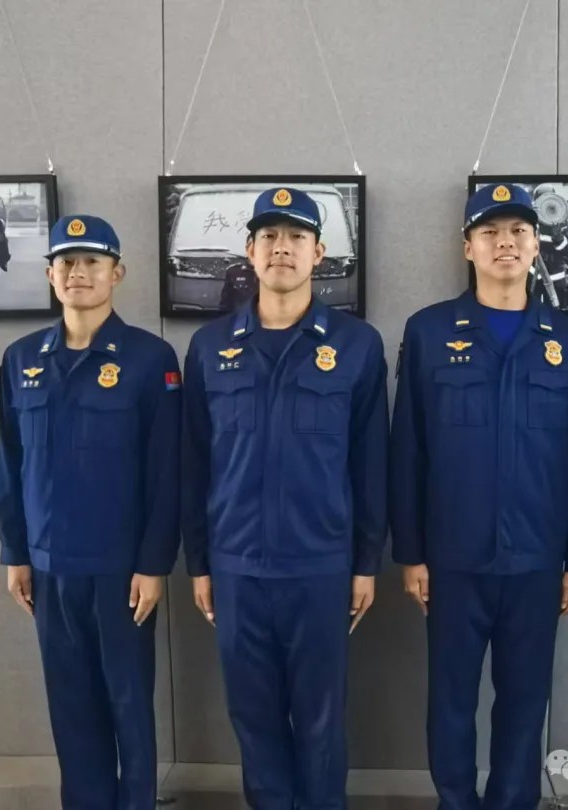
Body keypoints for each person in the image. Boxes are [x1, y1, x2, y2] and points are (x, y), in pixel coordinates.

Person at [390, 183, 568, 810]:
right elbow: (408, 449)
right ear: (468, 247)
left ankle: (513, 800)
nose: (505, 243)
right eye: (490, 232)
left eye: (518, 232)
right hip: (452, 557)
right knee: (451, 698)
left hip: (537, 558)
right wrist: (411, 552)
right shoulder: (428, 332)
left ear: (536, 246)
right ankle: (455, 800)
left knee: (526, 698)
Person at [181, 187, 388, 809]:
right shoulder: (210, 348)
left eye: (297, 236)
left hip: (320, 566)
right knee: (252, 716)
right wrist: (200, 563)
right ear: (249, 251)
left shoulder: (356, 345)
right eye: (269, 236)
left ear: (318, 253)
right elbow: (194, 463)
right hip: (237, 567)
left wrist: (365, 562)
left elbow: (370, 464)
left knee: (321, 718)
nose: (282, 248)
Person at [0, 215, 182, 809]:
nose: (78, 272)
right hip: (49, 566)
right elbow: (9, 462)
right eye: (66, 262)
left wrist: (154, 562)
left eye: (92, 262)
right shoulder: (22, 358)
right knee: (71, 706)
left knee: (129, 702)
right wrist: (15, 552)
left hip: (120, 569)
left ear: (116, 273)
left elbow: (167, 471)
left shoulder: (150, 358)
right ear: (51, 274)